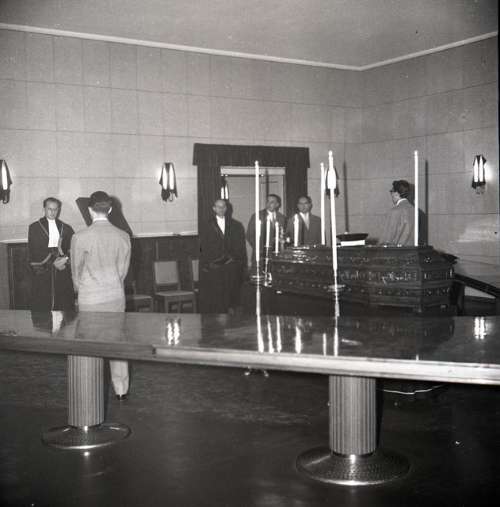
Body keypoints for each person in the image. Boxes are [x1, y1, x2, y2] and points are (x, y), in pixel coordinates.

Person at [70, 191, 131, 400]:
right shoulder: (123, 235)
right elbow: (123, 271)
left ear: (89, 210)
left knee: (89, 346)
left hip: (90, 298)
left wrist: (82, 289)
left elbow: (76, 272)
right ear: (110, 209)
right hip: (115, 296)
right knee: (117, 343)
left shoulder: (80, 237)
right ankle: (121, 389)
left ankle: (90, 389)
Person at [199, 199, 247, 313]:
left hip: (231, 265)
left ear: (226, 208)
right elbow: (203, 246)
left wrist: (233, 259)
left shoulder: (236, 225)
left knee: (231, 296)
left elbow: (240, 246)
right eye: (218, 207)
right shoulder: (206, 225)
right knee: (216, 296)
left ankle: (230, 316)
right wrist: (210, 263)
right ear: (214, 208)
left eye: (223, 206)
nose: (221, 209)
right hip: (214, 266)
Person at [28, 197, 75, 311]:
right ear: (44, 209)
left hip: (61, 269)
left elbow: (72, 248)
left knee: (63, 299)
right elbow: (35, 250)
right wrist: (53, 261)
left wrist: (65, 260)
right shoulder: (35, 227)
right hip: (44, 270)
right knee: (44, 300)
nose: (53, 212)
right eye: (50, 209)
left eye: (55, 209)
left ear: (58, 210)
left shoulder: (66, 227)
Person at [246, 194, 286, 267]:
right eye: (267, 201)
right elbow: (249, 235)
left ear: (277, 204)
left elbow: (284, 235)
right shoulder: (257, 216)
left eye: (272, 202)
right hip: (260, 255)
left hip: (277, 256)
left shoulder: (282, 218)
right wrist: (260, 248)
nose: (269, 204)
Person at [379, 180, 415, 246]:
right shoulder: (414, 210)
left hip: (397, 251)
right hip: (413, 250)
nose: (391, 194)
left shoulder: (394, 211)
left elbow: (387, 238)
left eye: (391, 191)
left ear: (396, 193)